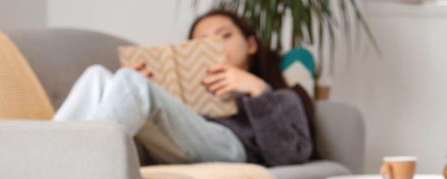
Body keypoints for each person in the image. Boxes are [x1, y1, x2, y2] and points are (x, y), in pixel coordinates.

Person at [52, 8, 315, 167]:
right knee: (98, 76)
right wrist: (137, 90)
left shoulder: (280, 96)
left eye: (224, 35)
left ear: (251, 44)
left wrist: (257, 90)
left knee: (130, 82)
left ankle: (82, 167)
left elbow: (289, 157)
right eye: (202, 41)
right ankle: (45, 154)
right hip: (179, 136)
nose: (216, 45)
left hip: (232, 147)